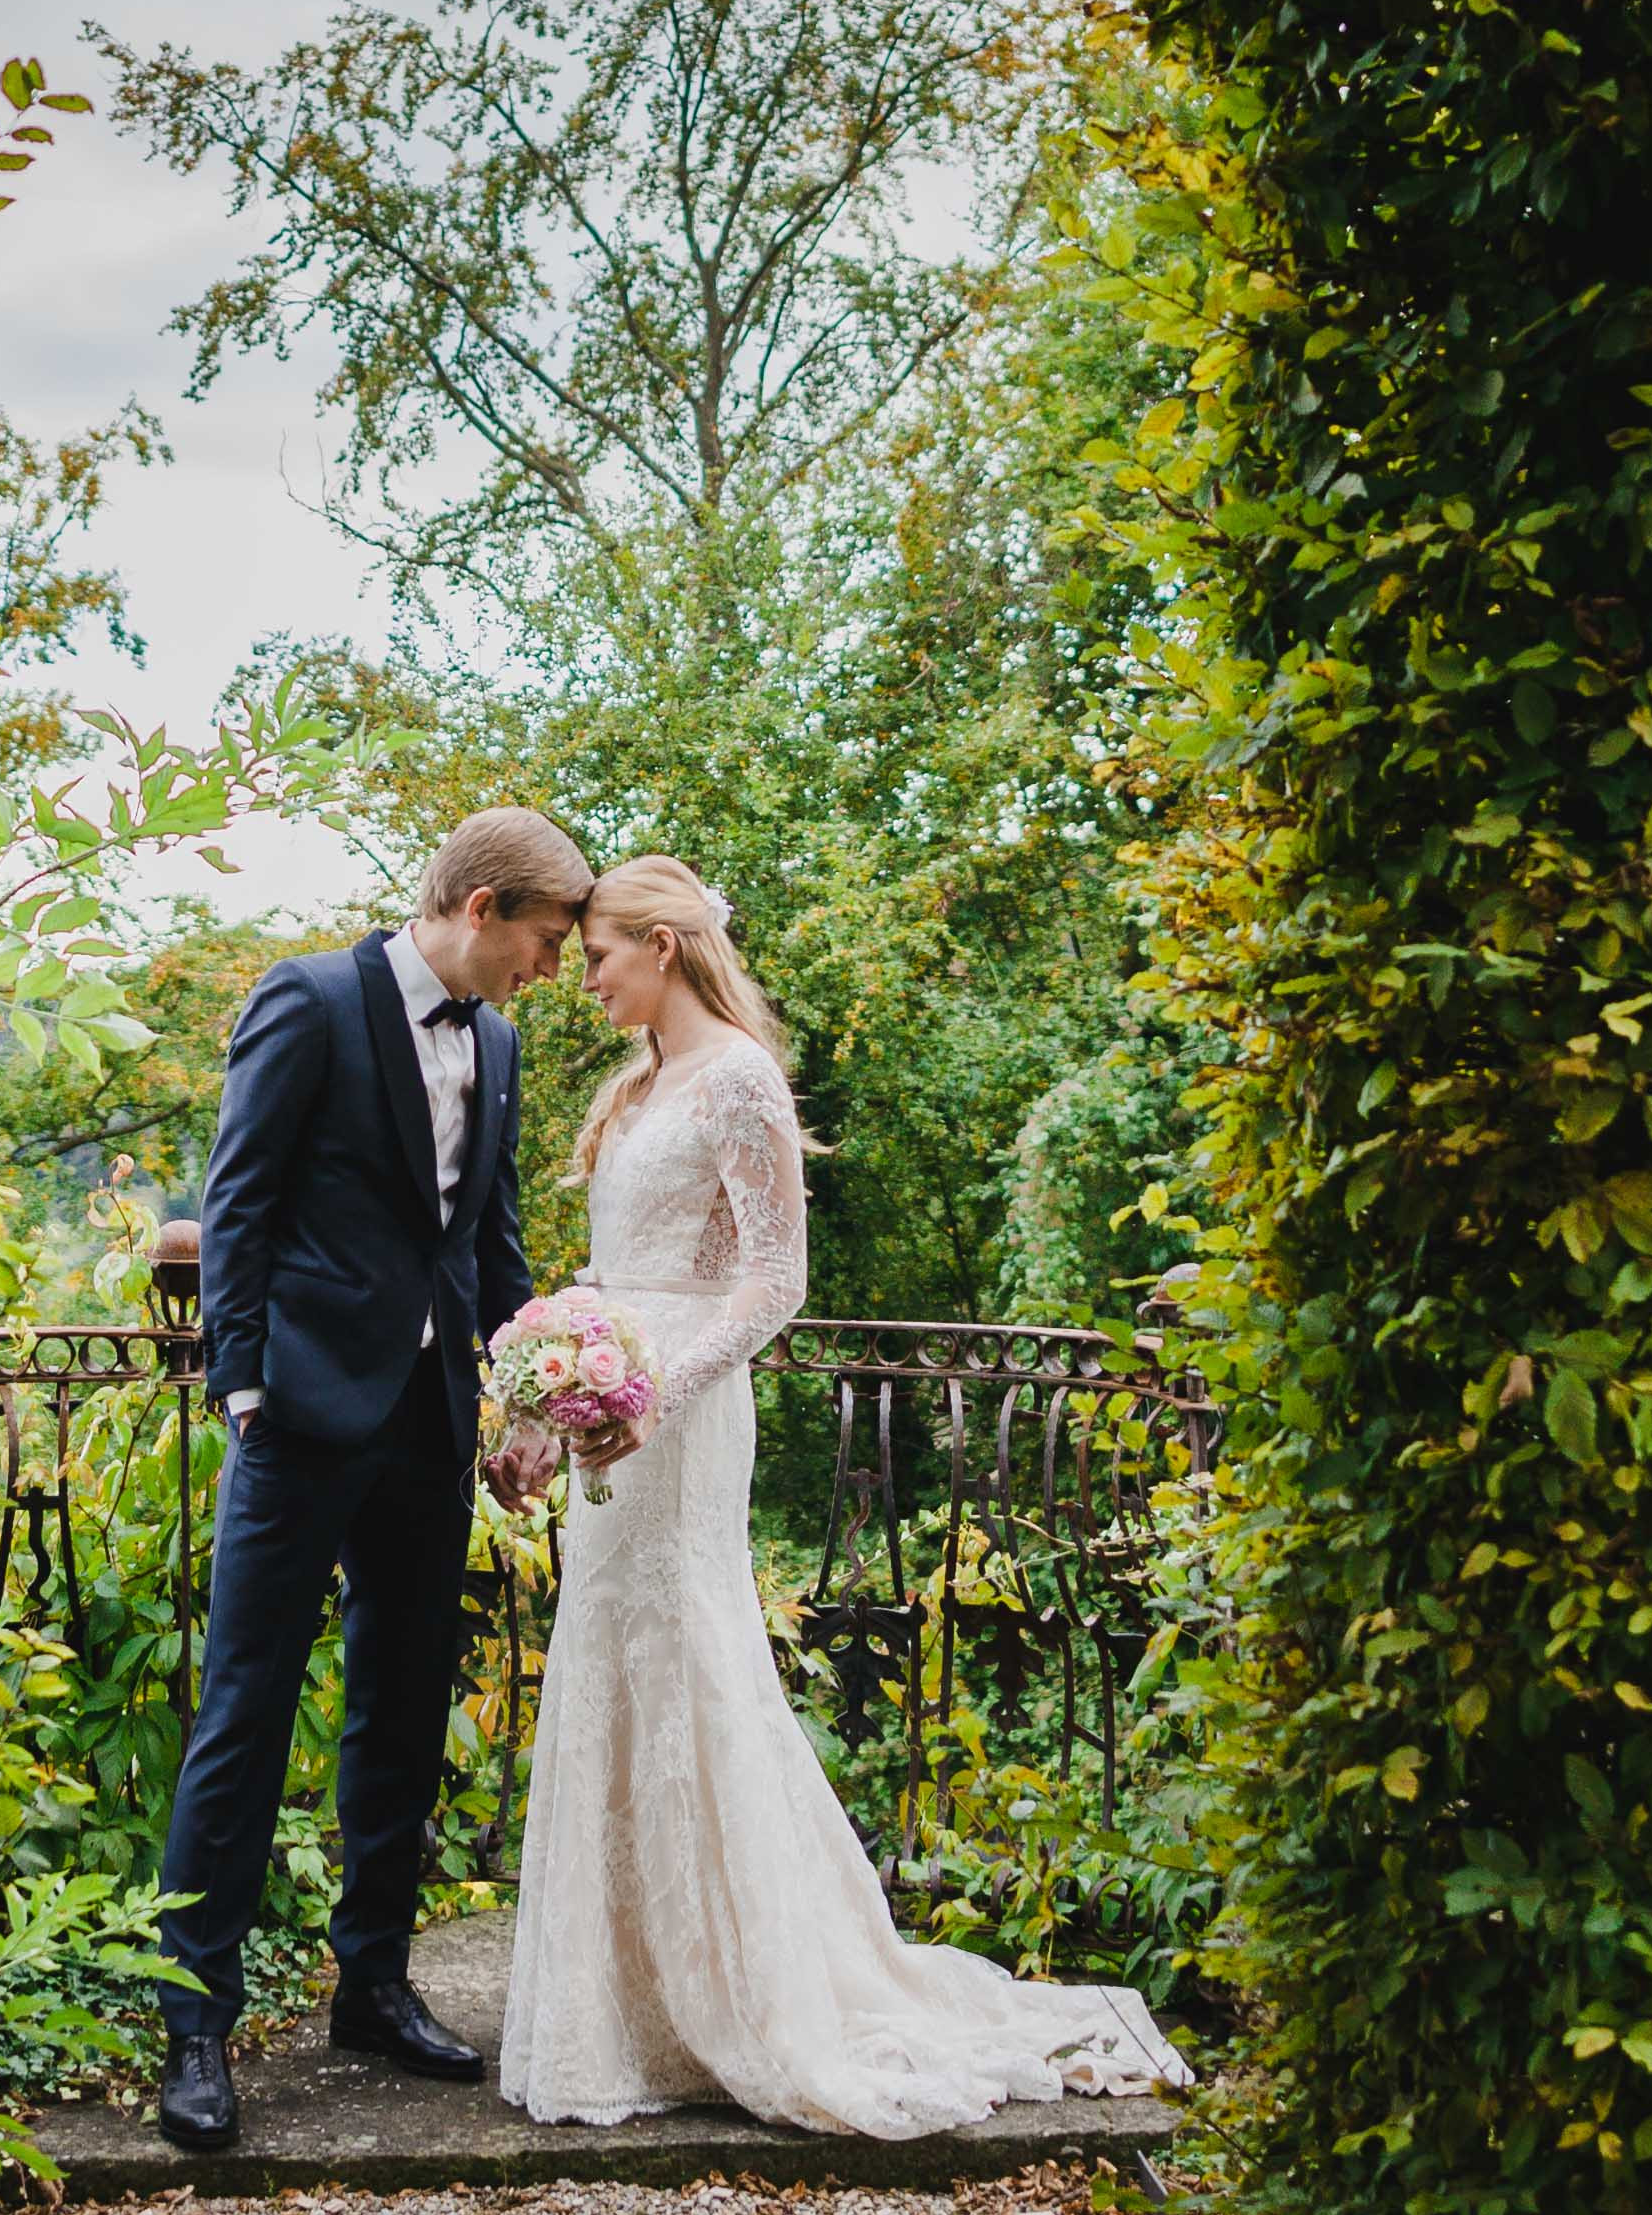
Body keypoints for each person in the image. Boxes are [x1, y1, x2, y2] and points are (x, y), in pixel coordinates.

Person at [495, 853, 1190, 2136]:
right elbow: (611, 1281)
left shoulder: (740, 1079)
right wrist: (546, 1405)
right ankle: (632, 2004)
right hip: (615, 1417)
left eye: (597, 957)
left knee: (693, 1660)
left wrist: (651, 1396)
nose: (581, 978)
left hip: (685, 1421)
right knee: (612, 1669)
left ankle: (751, 1988)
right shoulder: (636, 1083)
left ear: (659, 945)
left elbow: (773, 1282)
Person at [146, 806, 595, 2153]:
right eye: (546, 939)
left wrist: (521, 1397)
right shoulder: (310, 1000)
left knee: (401, 1707)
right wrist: (243, 1386)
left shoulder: (499, 1045)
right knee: (246, 1710)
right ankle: (194, 2023)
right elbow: (241, 1201)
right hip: (297, 1414)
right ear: (480, 905)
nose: (551, 970)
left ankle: (375, 1986)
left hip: (427, 1423)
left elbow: (490, 1245)